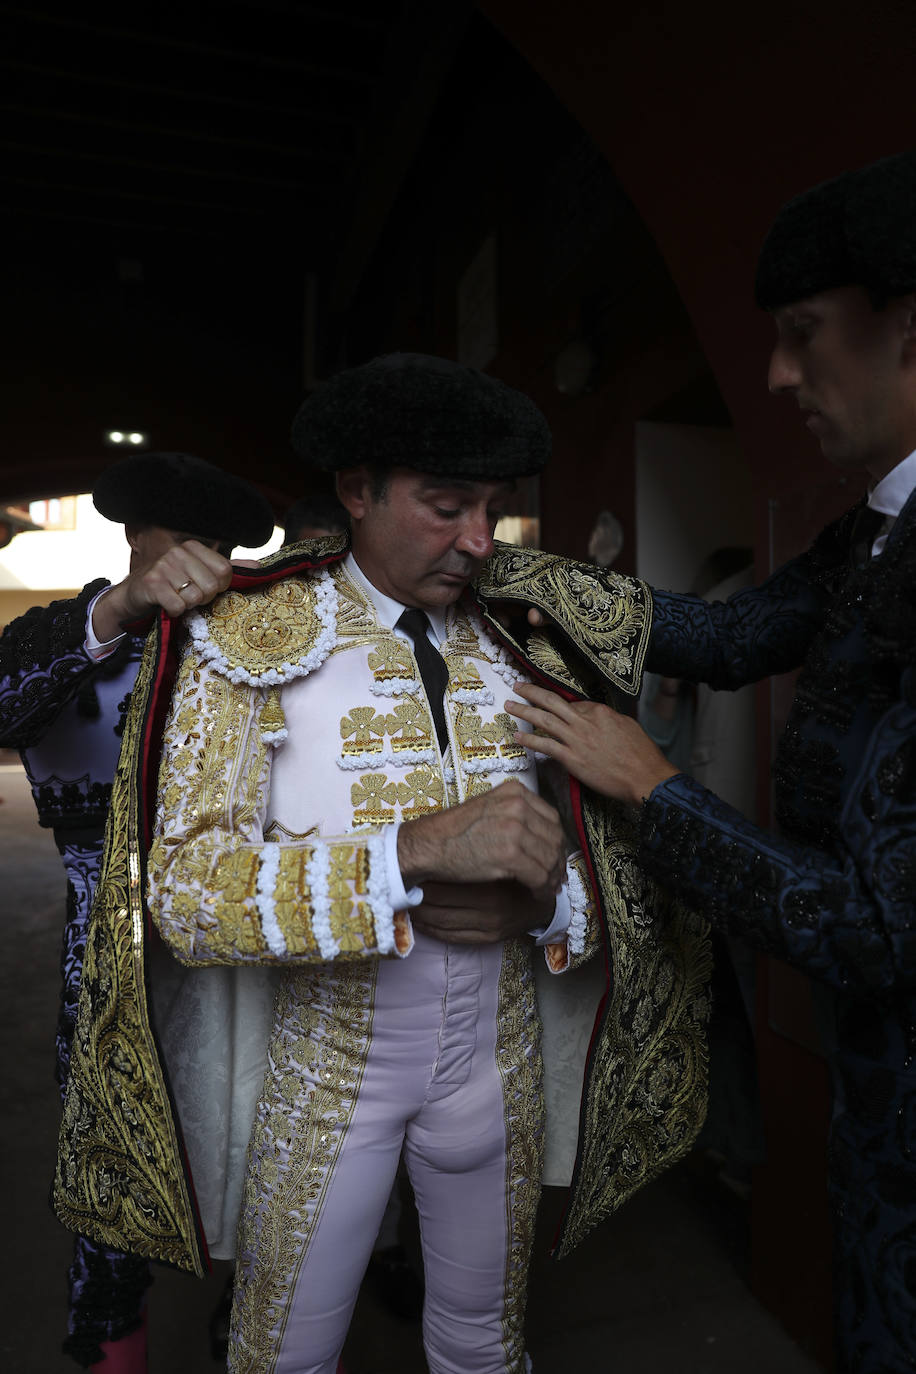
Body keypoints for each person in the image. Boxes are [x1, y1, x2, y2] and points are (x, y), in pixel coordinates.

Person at [53, 353, 711, 1374]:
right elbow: (182, 893)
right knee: (281, 1358)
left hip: (497, 1064)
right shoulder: (249, 633)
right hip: (329, 1072)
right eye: (447, 505)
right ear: (357, 493)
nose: (478, 539)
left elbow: (601, 878)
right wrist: (407, 853)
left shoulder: (517, 640)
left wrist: (543, 902)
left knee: (487, 1347)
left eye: (490, 507)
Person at [506, 150, 916, 1374]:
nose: (779, 374)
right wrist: (511, 572)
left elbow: (875, 931)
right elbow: (734, 633)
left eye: (802, 333)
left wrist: (656, 790)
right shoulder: (879, 530)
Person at [0, 450, 275, 1371]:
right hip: (110, 965)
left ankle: (263, 1335)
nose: (201, 560)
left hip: (244, 958)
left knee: (269, 1177)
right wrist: (121, 608)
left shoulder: (253, 643)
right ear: (134, 539)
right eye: (184, 541)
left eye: (219, 545)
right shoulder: (76, 630)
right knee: (114, 1198)